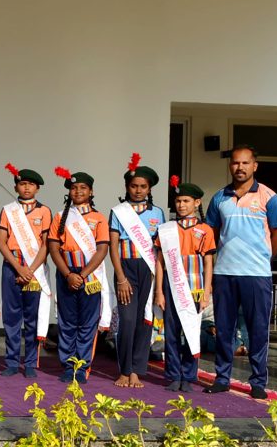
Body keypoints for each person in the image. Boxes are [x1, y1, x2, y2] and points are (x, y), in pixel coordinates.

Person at [203, 144, 277, 399]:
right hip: (225, 274)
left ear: (255, 166)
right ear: (230, 166)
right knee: (224, 329)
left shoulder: (270, 197)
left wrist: (264, 257)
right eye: (235, 163)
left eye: (245, 163)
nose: (240, 167)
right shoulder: (219, 197)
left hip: (256, 275)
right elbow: (210, 234)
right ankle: (222, 378)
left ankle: (258, 382)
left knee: (257, 330)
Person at [47, 167, 110, 384]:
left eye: (83, 187)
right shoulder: (60, 217)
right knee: (67, 322)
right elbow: (54, 248)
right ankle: (67, 364)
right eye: (74, 188)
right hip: (66, 273)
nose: (78, 191)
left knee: (87, 324)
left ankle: (81, 366)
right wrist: (68, 275)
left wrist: (81, 276)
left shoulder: (99, 218)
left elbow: (102, 250)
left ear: (91, 191)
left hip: (89, 275)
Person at [108, 153, 166, 388]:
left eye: (143, 186)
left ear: (149, 188)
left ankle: (137, 371)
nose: (138, 190)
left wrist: (158, 280)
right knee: (128, 319)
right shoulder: (118, 212)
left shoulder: (158, 213)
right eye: (134, 186)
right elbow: (113, 246)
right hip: (126, 269)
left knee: (145, 319)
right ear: (127, 187)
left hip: (149, 270)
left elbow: (160, 249)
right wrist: (121, 278)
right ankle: (124, 370)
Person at [154, 176, 215, 393]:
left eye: (186, 201)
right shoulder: (166, 229)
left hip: (195, 288)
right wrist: (159, 291)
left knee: (191, 331)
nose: (181, 205)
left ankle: (188, 375)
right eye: (178, 201)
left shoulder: (205, 230)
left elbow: (208, 263)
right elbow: (159, 261)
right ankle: (173, 375)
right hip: (171, 287)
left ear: (197, 203)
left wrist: (206, 292)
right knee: (171, 333)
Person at [0, 164, 52, 378]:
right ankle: (11, 361)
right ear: (16, 187)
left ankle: (30, 362)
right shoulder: (8, 210)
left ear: (37, 188)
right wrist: (19, 268)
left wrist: (30, 269)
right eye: (22, 184)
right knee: (11, 317)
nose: (26, 188)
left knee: (32, 318)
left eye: (31, 184)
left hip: (34, 269)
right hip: (12, 267)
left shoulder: (44, 211)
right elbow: (1, 242)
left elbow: (46, 245)